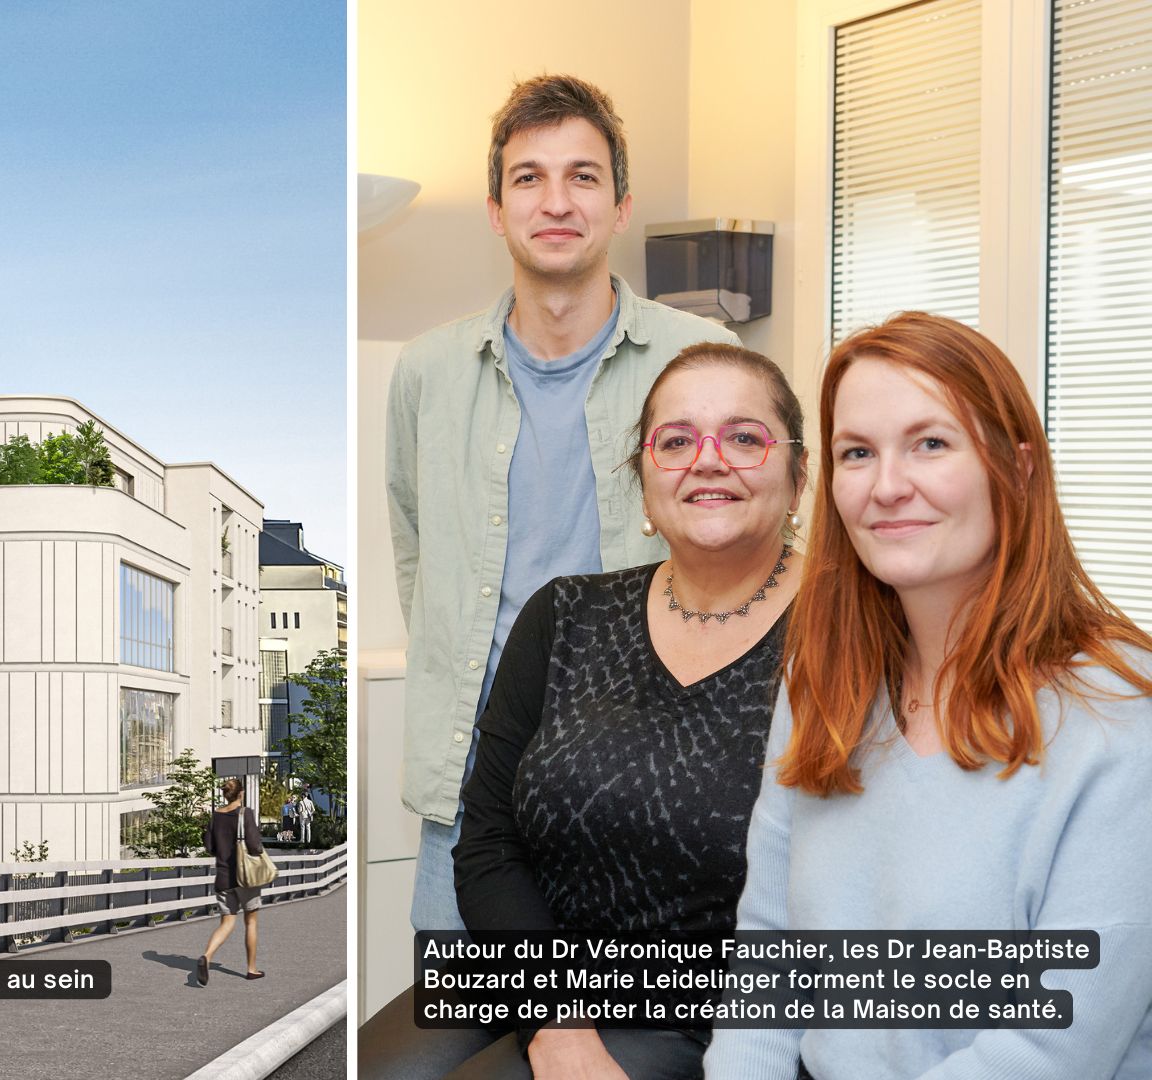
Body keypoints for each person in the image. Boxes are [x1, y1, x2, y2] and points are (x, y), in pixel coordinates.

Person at [368, 71, 737, 1061]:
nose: (557, 200)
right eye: (529, 178)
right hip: (472, 818)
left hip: (637, 813)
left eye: (583, 176)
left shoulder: (701, 358)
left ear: (620, 203)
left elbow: (753, 565)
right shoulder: (427, 372)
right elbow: (420, 558)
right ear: (497, 211)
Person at [704, 314, 1152, 1079]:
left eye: (930, 443)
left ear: (1017, 467)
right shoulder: (823, 681)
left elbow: (1052, 1050)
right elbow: (771, 957)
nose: (887, 486)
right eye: (857, 453)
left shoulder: (1115, 719)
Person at [429, 346, 805, 1080]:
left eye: (744, 437)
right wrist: (558, 1022)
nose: (708, 460)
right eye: (675, 441)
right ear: (643, 481)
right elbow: (487, 842)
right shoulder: (565, 615)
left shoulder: (850, 638)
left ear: (797, 477)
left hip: (720, 1018)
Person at [199, 777, 268, 986]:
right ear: (241, 793)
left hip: (222, 877)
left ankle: (207, 956)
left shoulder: (215, 816)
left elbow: (210, 847)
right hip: (245, 877)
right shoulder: (245, 814)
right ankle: (251, 969)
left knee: (227, 922)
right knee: (251, 921)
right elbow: (255, 845)